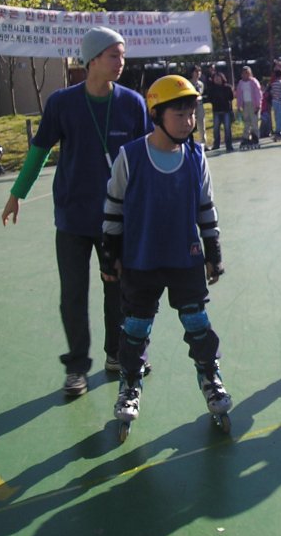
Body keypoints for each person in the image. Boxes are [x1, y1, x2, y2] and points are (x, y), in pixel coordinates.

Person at [1, 26, 152, 397]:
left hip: (117, 219)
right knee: (73, 293)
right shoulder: (61, 103)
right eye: (114, 55)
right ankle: (76, 369)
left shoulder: (132, 103)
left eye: (122, 55)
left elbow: (146, 158)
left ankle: (117, 354)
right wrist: (17, 193)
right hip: (72, 217)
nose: (121, 62)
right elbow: (38, 151)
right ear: (93, 59)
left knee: (117, 290)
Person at [99, 74, 231, 431]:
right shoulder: (131, 156)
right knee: (136, 327)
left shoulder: (196, 155)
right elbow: (113, 207)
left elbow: (205, 206)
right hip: (141, 259)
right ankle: (129, 383)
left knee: (197, 323)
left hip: (184, 257)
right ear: (156, 115)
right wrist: (109, 251)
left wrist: (212, 248)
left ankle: (210, 378)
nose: (188, 122)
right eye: (179, 115)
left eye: (192, 114)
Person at [235, 66, 263, 149]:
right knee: (246, 121)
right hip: (245, 104)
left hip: (253, 104)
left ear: (250, 73)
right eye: (244, 73)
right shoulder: (240, 83)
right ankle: (246, 137)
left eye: (247, 73)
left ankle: (255, 137)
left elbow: (258, 94)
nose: (245, 75)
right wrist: (239, 105)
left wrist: (258, 105)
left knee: (254, 121)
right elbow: (239, 95)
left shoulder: (254, 82)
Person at [207, 71, 235, 152]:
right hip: (216, 111)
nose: (217, 79)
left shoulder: (228, 88)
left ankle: (229, 145)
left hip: (226, 111)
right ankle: (216, 144)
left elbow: (231, 97)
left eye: (218, 78)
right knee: (216, 129)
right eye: (215, 78)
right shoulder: (211, 89)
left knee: (227, 129)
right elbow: (209, 98)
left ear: (222, 78)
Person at [188, 65, 207, 150]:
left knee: (201, 124)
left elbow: (201, 93)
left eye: (199, 72)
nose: (198, 73)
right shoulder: (188, 83)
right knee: (190, 124)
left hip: (199, 105)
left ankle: (204, 144)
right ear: (192, 73)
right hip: (190, 105)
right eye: (196, 71)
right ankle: (189, 143)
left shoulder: (201, 84)